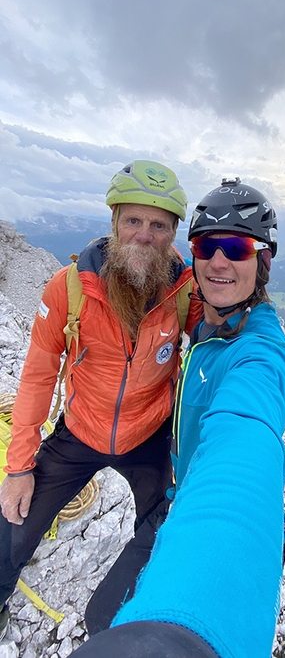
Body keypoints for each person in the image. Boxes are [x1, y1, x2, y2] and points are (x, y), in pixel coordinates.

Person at [74, 177, 285, 658]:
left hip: (199, 506)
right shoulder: (204, 323)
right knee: (100, 616)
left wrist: (182, 638)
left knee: (105, 620)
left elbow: (243, 442)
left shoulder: (260, 355)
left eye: (237, 246)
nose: (219, 260)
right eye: (207, 245)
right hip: (174, 493)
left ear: (261, 261)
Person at [0, 159, 202, 641]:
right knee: (12, 527)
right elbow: (38, 377)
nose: (144, 235)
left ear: (172, 233)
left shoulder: (184, 291)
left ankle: (120, 628)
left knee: (161, 533)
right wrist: (19, 466)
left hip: (148, 438)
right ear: (113, 223)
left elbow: (223, 333)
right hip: (80, 432)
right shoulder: (70, 289)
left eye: (158, 225)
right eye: (133, 220)